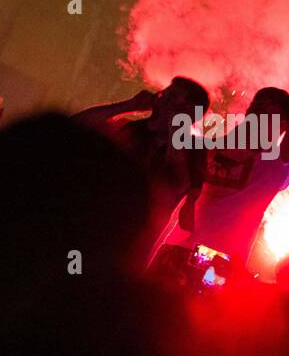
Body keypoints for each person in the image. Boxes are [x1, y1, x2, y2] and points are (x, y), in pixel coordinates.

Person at [165, 19, 289, 268]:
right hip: (174, 251)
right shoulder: (211, 147)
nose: (256, 117)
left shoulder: (275, 163)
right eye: (255, 109)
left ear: (284, 127)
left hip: (219, 265)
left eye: (268, 114)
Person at [73, 77, 209, 256]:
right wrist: (127, 106)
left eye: (173, 97)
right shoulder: (133, 128)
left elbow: (177, 183)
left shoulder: (194, 148)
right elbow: (78, 124)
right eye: (165, 93)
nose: (163, 98)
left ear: (190, 113)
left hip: (130, 247)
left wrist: (177, 130)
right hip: (92, 227)